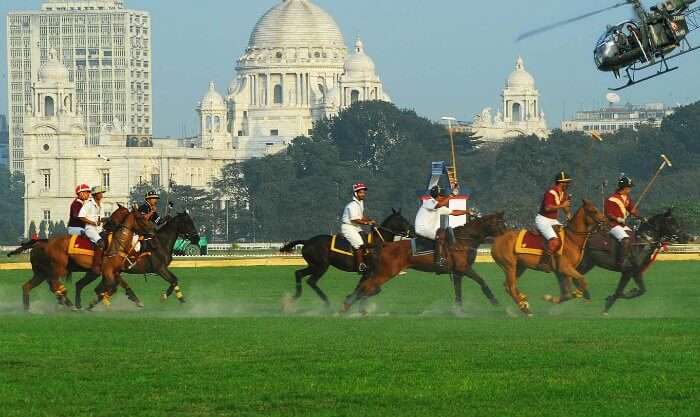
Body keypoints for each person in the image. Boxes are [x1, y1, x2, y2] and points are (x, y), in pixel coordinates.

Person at [415, 185, 471, 269]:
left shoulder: (439, 206)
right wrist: (452, 195)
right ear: (438, 196)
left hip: (429, 229)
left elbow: (454, 212)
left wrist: (468, 211)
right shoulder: (430, 202)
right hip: (422, 228)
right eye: (442, 196)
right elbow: (441, 204)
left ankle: (447, 257)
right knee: (441, 233)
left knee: (447, 231)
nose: (444, 198)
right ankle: (439, 261)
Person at [535, 171, 573, 271]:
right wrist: (562, 205)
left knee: (567, 236)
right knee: (555, 241)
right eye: (566, 182)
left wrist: (568, 214)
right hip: (543, 220)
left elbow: (564, 207)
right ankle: (543, 263)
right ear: (560, 182)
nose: (568, 184)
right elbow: (548, 208)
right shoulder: (551, 192)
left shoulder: (563, 193)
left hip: (553, 220)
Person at [605, 176, 640, 267]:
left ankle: (631, 258)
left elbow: (632, 209)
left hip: (623, 225)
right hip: (612, 225)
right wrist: (618, 219)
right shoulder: (612, 199)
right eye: (629, 187)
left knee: (634, 238)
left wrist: (636, 214)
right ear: (624, 188)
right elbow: (608, 214)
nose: (630, 189)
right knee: (625, 240)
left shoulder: (627, 198)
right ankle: (620, 262)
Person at [341, 183, 376, 274]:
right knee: (359, 244)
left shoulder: (360, 203)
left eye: (364, 192)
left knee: (366, 242)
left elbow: (361, 216)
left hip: (356, 227)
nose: (363, 194)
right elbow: (355, 219)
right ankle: (360, 266)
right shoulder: (352, 205)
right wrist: (367, 223)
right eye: (361, 192)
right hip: (348, 227)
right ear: (356, 194)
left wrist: (370, 219)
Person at [78, 185, 107, 274]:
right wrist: (92, 223)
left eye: (102, 193)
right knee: (101, 243)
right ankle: (95, 266)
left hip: (99, 229)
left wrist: (109, 219)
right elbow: (81, 217)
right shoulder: (88, 204)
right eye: (100, 193)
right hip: (90, 229)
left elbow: (100, 218)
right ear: (95, 194)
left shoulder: (101, 204)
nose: (101, 195)